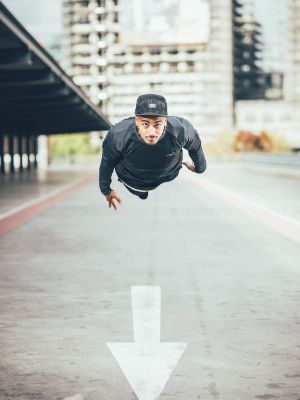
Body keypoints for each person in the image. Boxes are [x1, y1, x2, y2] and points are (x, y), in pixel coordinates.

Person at [99, 94, 207, 210]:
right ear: (136, 121)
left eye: (157, 124)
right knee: (141, 193)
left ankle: (143, 192)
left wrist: (199, 168)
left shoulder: (181, 130)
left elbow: (196, 148)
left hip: (168, 174)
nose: (151, 132)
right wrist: (106, 190)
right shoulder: (118, 135)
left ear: (165, 121)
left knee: (146, 189)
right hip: (133, 181)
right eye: (145, 124)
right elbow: (107, 162)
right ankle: (141, 193)